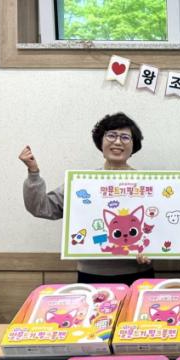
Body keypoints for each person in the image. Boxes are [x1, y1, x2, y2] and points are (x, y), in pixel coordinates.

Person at [18, 112, 155, 285]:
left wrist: (155, 249)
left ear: (133, 145)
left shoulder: (149, 184)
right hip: (92, 274)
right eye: (111, 135)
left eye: (125, 137)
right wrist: (33, 173)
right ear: (101, 142)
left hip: (138, 272)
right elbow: (41, 207)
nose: (118, 142)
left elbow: (158, 225)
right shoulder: (82, 184)